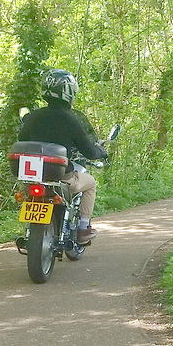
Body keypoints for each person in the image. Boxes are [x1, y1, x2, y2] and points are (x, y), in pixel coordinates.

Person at [18, 69, 107, 244]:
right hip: (61, 178)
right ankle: (82, 229)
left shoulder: (34, 117)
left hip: (34, 177)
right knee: (90, 184)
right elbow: (89, 150)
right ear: (69, 91)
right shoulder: (71, 120)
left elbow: (22, 139)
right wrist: (101, 152)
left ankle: (29, 230)